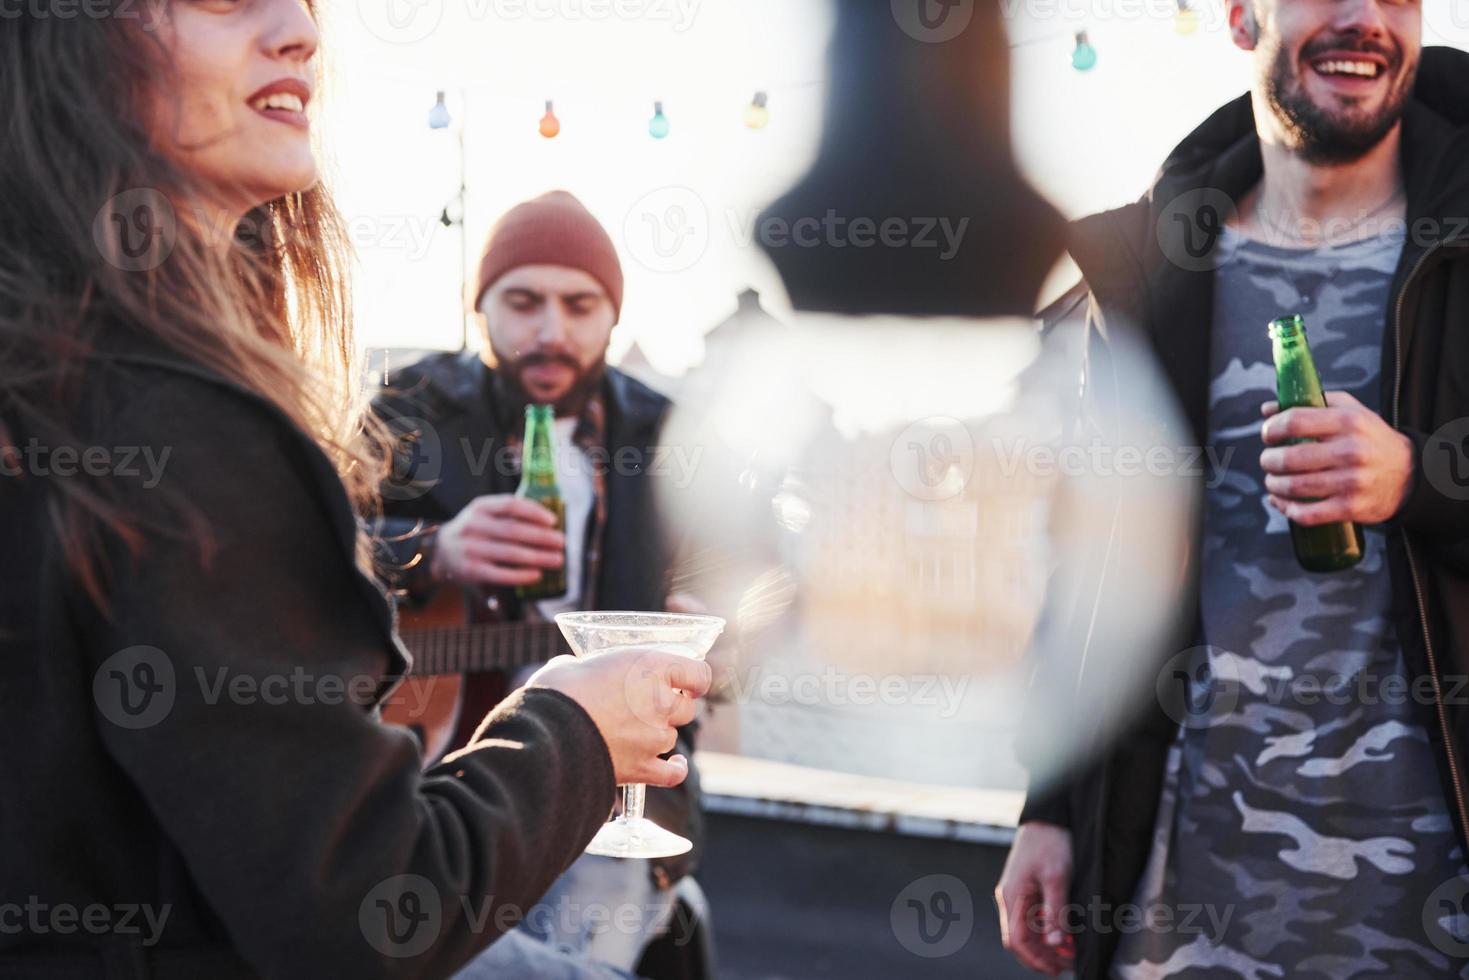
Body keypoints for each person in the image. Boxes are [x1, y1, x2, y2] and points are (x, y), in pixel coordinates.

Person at [0, 5, 709, 979]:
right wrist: (473, 594)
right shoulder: (237, 413)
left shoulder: (663, 431)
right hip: (452, 796)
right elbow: (363, 908)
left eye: (580, 306)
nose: (299, 27)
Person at [998, 2, 1469, 977]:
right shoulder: (1151, 263)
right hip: (1186, 888)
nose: (1361, 18)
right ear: (1239, 16)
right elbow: (1094, 560)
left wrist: (1419, 480)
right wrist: (1048, 803)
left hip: (1430, 891)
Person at [374, 191, 713, 978]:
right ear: (480, 307)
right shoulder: (405, 411)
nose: (551, 330)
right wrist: (435, 549)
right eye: (523, 302)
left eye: (579, 304)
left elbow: (744, 594)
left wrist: (713, 633)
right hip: (432, 779)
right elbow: (305, 560)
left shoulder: (667, 436)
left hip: (615, 785)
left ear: (612, 316)